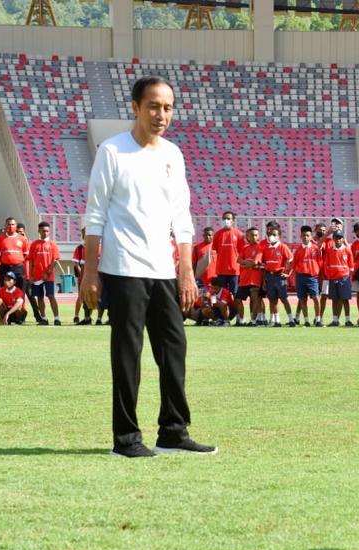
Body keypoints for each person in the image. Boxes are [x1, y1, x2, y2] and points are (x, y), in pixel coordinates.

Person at [81, 75, 215, 458]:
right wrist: (91, 272)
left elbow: (182, 218)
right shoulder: (112, 151)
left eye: (168, 107)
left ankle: (173, 432)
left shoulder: (173, 155)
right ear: (136, 107)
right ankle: (125, 440)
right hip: (123, 267)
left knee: (174, 349)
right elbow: (95, 215)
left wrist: (187, 271)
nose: (162, 114)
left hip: (164, 269)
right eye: (154, 106)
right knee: (127, 354)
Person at [26, 221, 61, 325]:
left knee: (50, 296)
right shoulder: (34, 244)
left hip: (48, 277)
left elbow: (56, 260)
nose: (45, 233)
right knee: (40, 298)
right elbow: (31, 260)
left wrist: (48, 272)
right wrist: (31, 275)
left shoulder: (53, 244)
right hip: (36, 277)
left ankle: (57, 318)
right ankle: (44, 318)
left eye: (47, 231)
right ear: (39, 231)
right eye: (43, 231)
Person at [260, 223, 295, 327]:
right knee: (272, 300)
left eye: (274, 234)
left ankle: (291, 319)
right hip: (270, 276)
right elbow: (264, 265)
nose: (272, 236)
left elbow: (292, 260)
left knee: (284, 299)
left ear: (279, 236)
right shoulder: (265, 248)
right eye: (270, 234)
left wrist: (288, 273)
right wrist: (264, 281)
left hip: (279, 276)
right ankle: (277, 321)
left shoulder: (283, 247)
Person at [292, 225, 323, 327]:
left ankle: (318, 319)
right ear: (301, 236)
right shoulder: (298, 250)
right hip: (300, 277)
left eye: (307, 235)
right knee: (302, 299)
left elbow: (320, 262)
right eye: (304, 235)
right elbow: (294, 264)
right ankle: (306, 320)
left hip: (312, 277)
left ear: (310, 237)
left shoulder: (316, 249)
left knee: (316, 298)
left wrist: (315, 272)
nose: (305, 237)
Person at [323, 229, 354, 326]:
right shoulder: (330, 251)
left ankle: (347, 320)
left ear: (343, 239)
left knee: (345, 299)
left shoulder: (347, 250)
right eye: (336, 237)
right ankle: (335, 320)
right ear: (333, 239)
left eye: (340, 238)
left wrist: (346, 275)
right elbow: (326, 264)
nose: (338, 240)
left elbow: (351, 266)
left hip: (344, 278)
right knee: (334, 299)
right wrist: (329, 275)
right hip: (333, 278)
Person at [235, 226, 263, 326]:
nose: (254, 237)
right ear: (247, 237)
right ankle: (242, 320)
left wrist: (245, 264)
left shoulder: (260, 248)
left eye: (256, 235)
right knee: (237, 299)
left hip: (255, 279)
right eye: (252, 235)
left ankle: (253, 321)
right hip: (244, 279)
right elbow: (238, 260)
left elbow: (255, 263)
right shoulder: (245, 248)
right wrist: (248, 264)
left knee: (254, 299)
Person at [211, 211, 243, 296]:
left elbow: (241, 252)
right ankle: (223, 310)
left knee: (235, 294)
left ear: (233, 221)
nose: (226, 220)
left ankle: (234, 310)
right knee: (221, 295)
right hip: (221, 270)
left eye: (228, 218)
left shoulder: (238, 234)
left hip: (234, 270)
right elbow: (216, 250)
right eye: (224, 218)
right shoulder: (217, 234)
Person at [0, 217, 28, 289]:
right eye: (9, 224)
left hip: (18, 268)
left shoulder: (22, 239)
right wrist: (3, 261)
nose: (11, 226)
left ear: (16, 226)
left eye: (13, 224)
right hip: (5, 268)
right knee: (5, 291)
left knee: (20, 291)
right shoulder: (0, 238)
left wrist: (19, 261)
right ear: (5, 225)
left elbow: (26, 253)